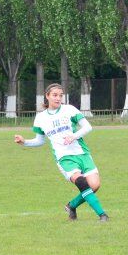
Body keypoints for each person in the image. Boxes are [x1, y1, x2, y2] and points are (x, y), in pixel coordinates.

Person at [14, 83, 109, 222]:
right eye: (55, 95)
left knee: (94, 185)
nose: (58, 98)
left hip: (82, 153)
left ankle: (72, 206)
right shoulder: (40, 118)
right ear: (47, 96)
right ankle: (102, 215)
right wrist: (24, 142)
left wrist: (73, 136)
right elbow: (40, 141)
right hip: (64, 157)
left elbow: (88, 127)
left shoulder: (69, 109)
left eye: (60, 95)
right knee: (81, 182)